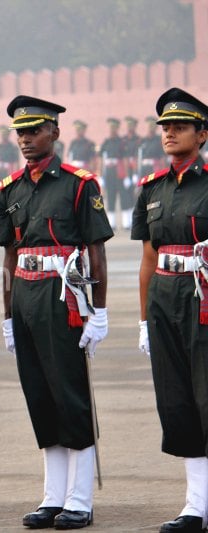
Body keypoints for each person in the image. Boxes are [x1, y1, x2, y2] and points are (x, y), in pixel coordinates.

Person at [0, 96, 112, 530]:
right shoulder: (10, 189)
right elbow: (9, 257)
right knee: (39, 395)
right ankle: (52, 496)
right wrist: (7, 316)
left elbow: (96, 253)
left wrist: (99, 312)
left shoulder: (80, 185)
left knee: (70, 394)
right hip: (25, 294)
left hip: (64, 296)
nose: (26, 139)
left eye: (34, 131)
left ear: (55, 133)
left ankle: (79, 499)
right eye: (20, 133)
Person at [131, 88, 208, 533]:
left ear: (201, 134)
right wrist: (144, 319)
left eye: (180, 126)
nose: (170, 132)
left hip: (203, 299)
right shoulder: (152, 189)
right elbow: (147, 257)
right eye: (164, 126)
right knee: (178, 403)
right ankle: (195, 505)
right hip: (164, 297)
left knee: (207, 397)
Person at [99, 117, 131, 230]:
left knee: (124, 197)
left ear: (117, 128)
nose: (112, 129)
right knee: (110, 197)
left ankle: (127, 223)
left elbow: (126, 160)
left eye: (114, 127)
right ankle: (111, 223)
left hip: (119, 172)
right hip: (109, 173)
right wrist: (101, 175)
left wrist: (127, 176)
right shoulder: (106, 142)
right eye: (111, 127)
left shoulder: (122, 142)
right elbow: (100, 159)